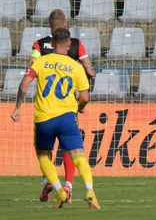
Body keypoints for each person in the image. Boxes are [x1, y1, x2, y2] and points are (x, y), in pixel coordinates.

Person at [11, 28, 100, 209]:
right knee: (79, 157)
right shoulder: (76, 66)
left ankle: (59, 190)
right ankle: (90, 191)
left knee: (44, 156)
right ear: (69, 45)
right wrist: (78, 108)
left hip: (44, 119)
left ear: (51, 44)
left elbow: (24, 83)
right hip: (67, 118)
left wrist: (18, 108)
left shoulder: (41, 61)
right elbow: (84, 97)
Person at [28, 9, 96, 204]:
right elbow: (89, 69)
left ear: (49, 25)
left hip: (45, 104)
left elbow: (31, 67)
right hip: (68, 103)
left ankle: (48, 181)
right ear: (66, 24)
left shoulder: (39, 45)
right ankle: (68, 185)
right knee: (70, 145)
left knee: (43, 149)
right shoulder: (76, 44)